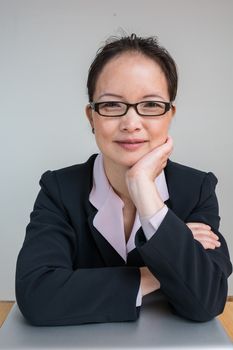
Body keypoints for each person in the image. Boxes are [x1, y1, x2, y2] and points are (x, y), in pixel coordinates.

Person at [15, 34, 232, 326]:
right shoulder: (59, 190)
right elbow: (37, 295)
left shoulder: (196, 189)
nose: (131, 123)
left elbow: (206, 301)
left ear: (170, 115)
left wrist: (144, 189)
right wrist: (155, 272)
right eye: (112, 105)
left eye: (151, 105)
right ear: (91, 117)